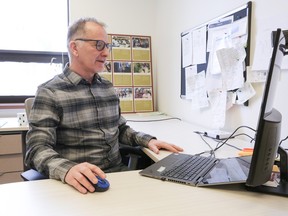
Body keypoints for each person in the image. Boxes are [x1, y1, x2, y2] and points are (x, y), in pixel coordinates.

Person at [25, 17, 183, 194]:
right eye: (98, 45)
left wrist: (148, 140)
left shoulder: (107, 87)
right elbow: (36, 149)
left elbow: (120, 129)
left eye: (107, 46)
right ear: (74, 47)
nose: (106, 53)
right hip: (80, 184)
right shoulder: (50, 92)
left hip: (118, 177)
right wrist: (67, 170)